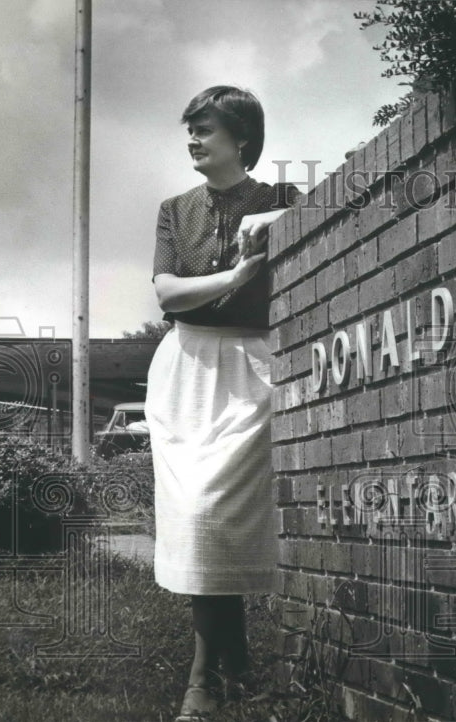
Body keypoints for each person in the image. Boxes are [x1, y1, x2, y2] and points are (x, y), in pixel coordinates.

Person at [144, 85, 295, 720]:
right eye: (191, 130)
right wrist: (233, 277)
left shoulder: (281, 199)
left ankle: (204, 678)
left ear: (241, 138)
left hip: (248, 366)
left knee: (217, 515)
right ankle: (232, 666)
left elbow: (336, 229)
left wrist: (286, 223)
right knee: (194, 517)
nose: (193, 140)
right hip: (186, 367)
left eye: (205, 130)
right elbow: (168, 292)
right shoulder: (174, 210)